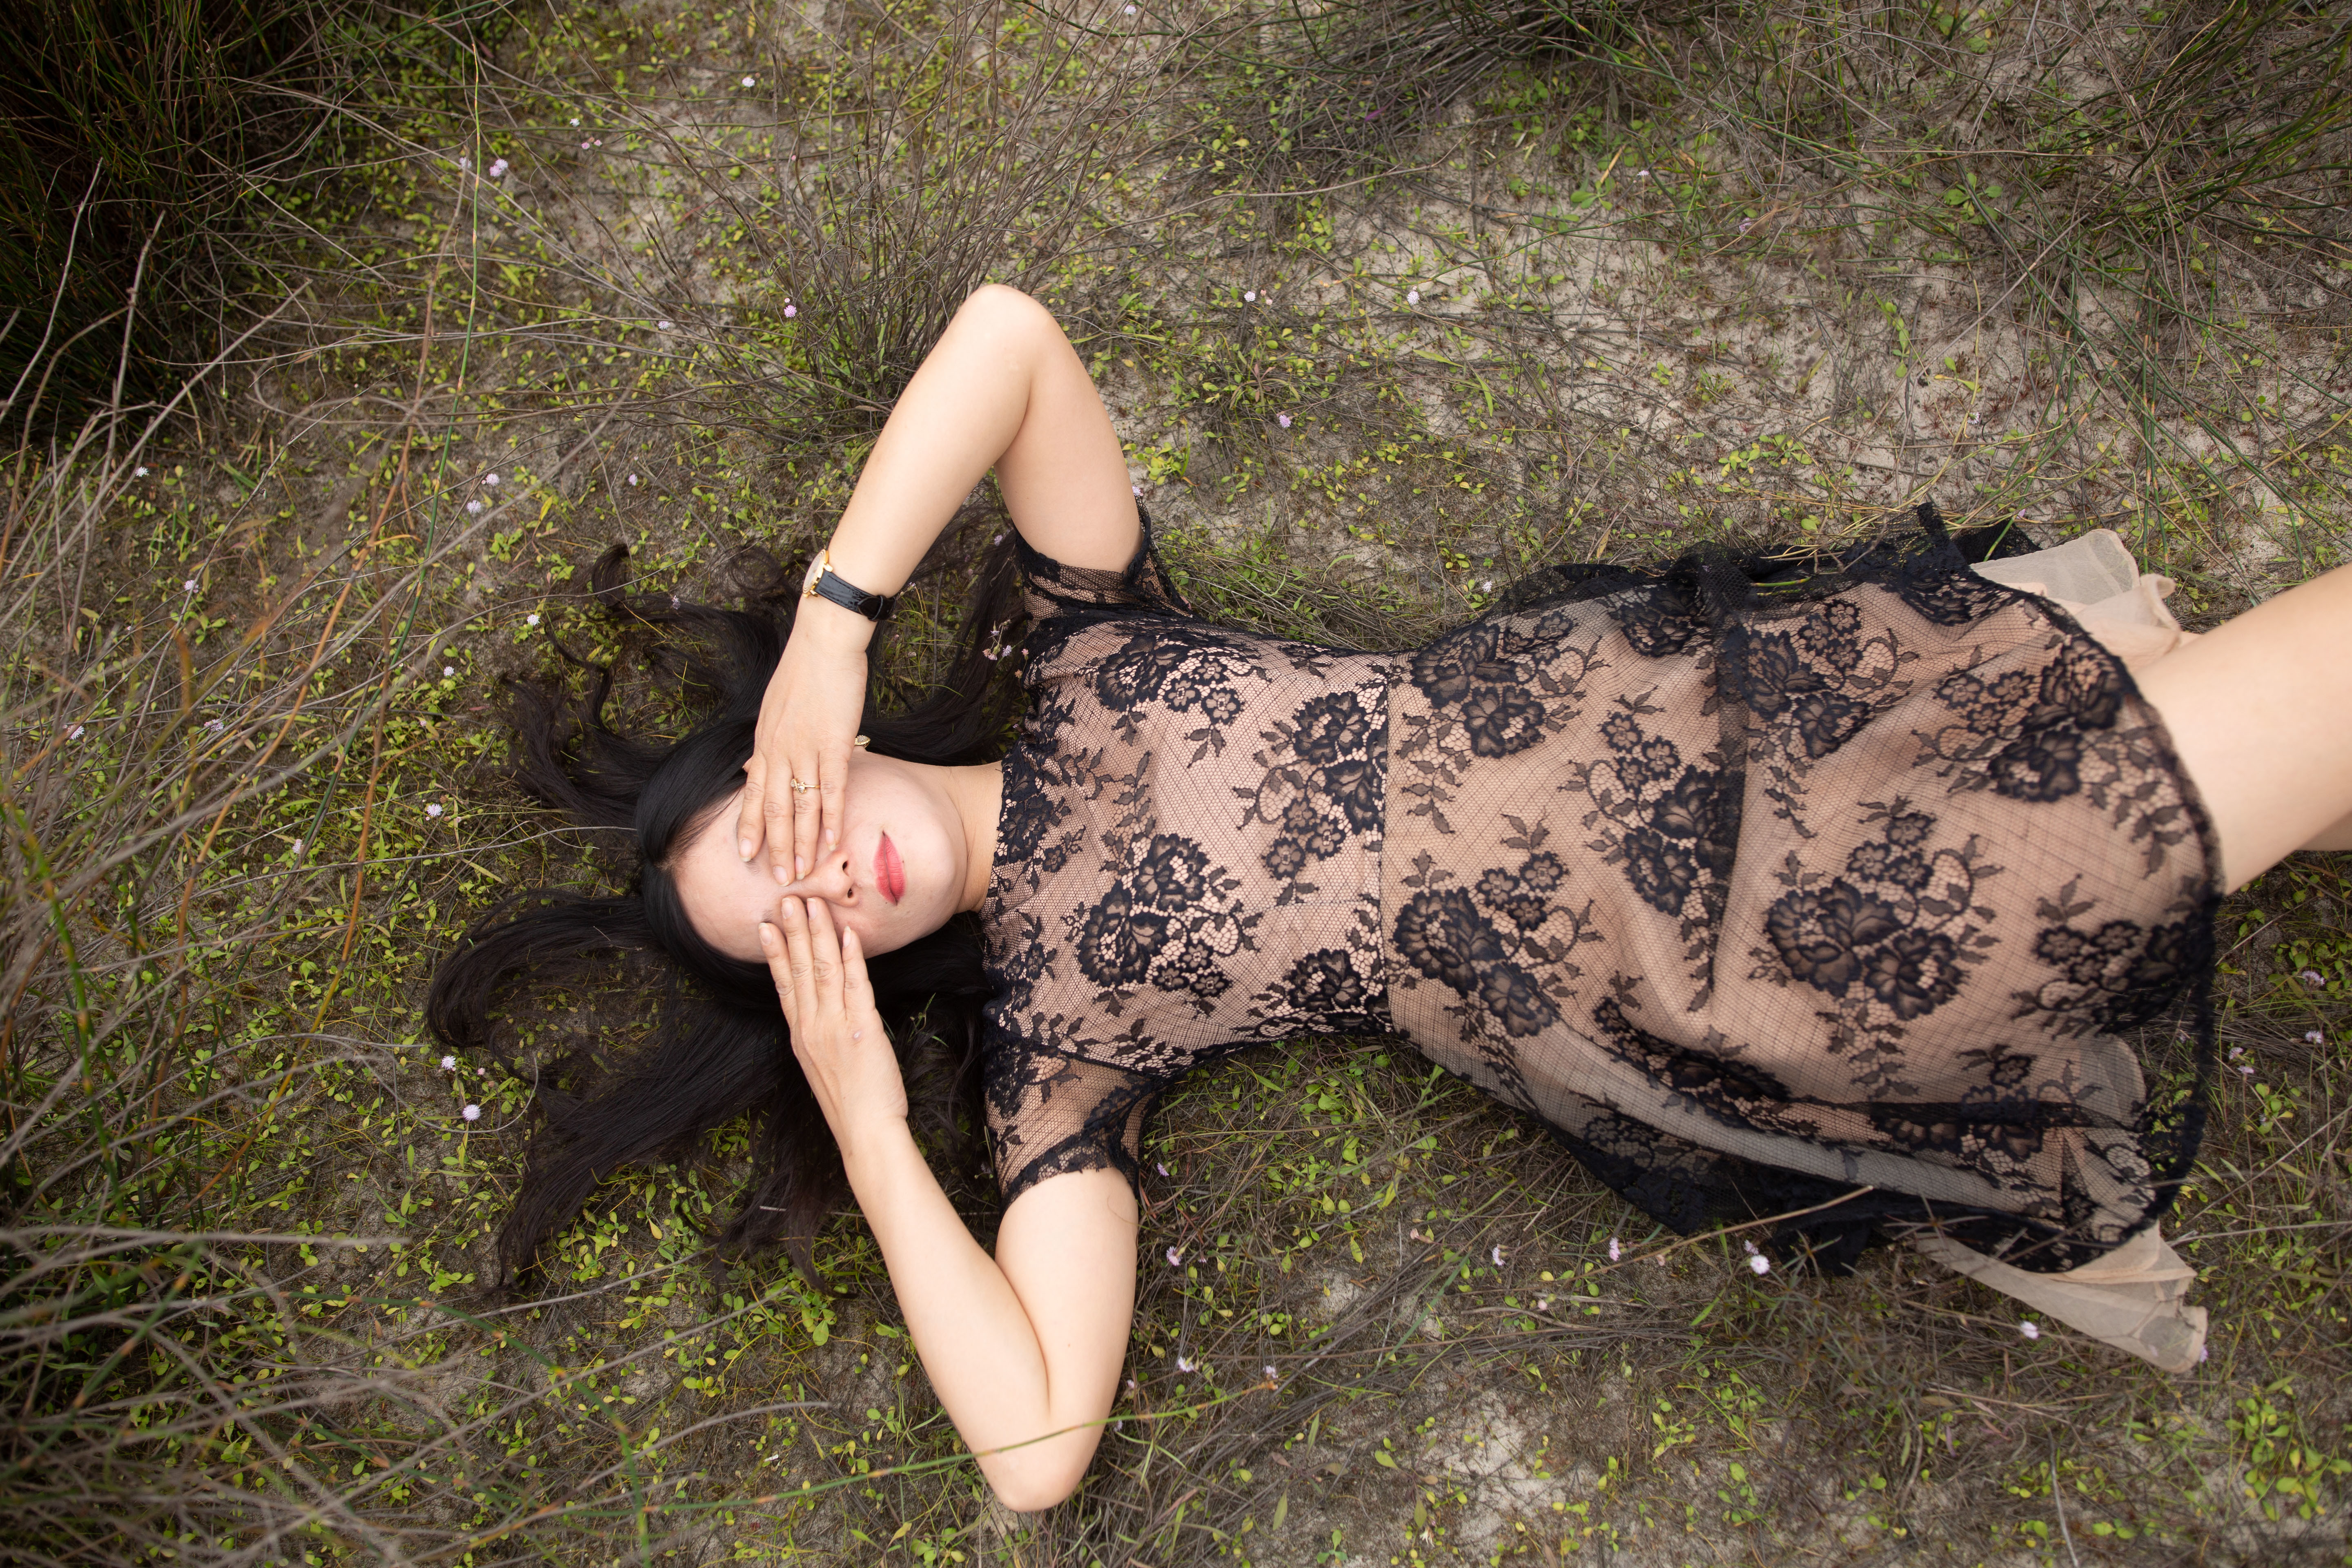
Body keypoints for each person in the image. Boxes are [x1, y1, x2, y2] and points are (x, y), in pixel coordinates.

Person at [427, 285, 2352, 1512]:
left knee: (2205, 713)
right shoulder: (1054, 1052)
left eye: (770, 832)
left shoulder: (1084, 642)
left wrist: (839, 619)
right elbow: (1033, 1450)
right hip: (1744, 956)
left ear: (795, 751)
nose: (820, 880)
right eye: (799, 933)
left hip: (1744, 721)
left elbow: (1011, 336)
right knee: (2232, 729)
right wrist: (865, 1122)